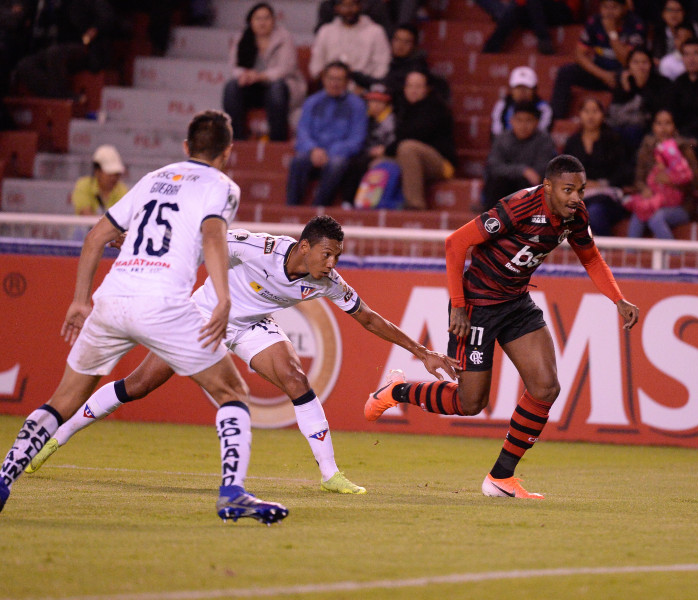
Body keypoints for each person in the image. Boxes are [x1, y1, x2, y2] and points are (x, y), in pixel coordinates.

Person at [24, 217, 460, 494]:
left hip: (252, 326)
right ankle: (55, 438)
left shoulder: (326, 281)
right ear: (305, 247)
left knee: (296, 380)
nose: (332, 264)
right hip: (204, 314)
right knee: (138, 385)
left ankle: (331, 475)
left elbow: (368, 318)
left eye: (337, 256)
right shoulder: (256, 247)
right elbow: (201, 239)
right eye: (327, 254)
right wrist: (136, 243)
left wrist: (422, 352)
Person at [0, 110, 290, 524]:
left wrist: (80, 300)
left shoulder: (154, 177)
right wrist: (223, 297)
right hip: (164, 302)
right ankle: (232, 493)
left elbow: (97, 235)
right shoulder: (222, 185)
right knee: (231, 392)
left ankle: (4, 478)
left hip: (112, 298)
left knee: (62, 400)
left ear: (187, 147)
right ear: (228, 152)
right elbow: (212, 235)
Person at [363, 154, 640, 499]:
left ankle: (500, 477)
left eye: (581, 190)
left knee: (545, 387)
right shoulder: (520, 206)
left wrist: (618, 299)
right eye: (569, 190)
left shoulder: (575, 216)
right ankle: (395, 391)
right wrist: (460, 307)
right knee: (470, 403)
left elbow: (591, 257)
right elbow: (456, 243)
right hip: (477, 305)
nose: (576, 198)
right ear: (549, 186)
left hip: (516, 303)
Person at [286, 61, 367, 207]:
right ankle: (292, 208)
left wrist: (329, 152)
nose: (334, 83)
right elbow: (303, 131)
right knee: (298, 161)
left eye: (339, 79)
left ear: (347, 82)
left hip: (339, 153)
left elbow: (357, 139)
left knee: (337, 163)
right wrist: (313, 149)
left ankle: (319, 209)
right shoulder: (312, 102)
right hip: (313, 151)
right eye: (331, 78)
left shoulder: (357, 105)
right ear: (323, 79)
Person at [222, 2, 306, 142]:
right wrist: (244, 75)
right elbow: (235, 66)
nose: (262, 22)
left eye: (266, 18)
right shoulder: (242, 38)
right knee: (231, 87)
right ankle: (236, 139)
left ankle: (277, 141)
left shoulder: (284, 37)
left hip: (282, 87)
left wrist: (261, 76)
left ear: (273, 20)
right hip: (253, 87)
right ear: (250, 21)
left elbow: (286, 67)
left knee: (276, 89)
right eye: (258, 18)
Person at [550, 0, 647, 119]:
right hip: (600, 72)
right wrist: (603, 75)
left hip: (623, 74)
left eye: (614, 7)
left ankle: (614, 120)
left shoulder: (636, 24)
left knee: (628, 78)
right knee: (565, 72)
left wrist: (612, 32)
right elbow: (579, 54)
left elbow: (626, 60)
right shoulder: (594, 21)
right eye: (605, 7)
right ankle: (555, 119)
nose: (609, 12)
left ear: (625, 8)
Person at [562, 97, 633, 236]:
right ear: (580, 115)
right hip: (579, 195)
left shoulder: (613, 139)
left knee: (594, 212)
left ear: (602, 114)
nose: (590, 116)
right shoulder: (572, 142)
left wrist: (601, 184)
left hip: (606, 196)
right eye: (586, 111)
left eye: (595, 111)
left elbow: (623, 171)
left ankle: (605, 253)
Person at [624, 109, 698, 239]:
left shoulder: (684, 149)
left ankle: (675, 257)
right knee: (638, 214)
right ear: (653, 127)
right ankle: (630, 256)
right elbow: (639, 180)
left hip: (680, 206)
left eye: (667, 123)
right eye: (659, 123)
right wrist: (645, 189)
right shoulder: (646, 149)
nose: (663, 128)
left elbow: (695, 182)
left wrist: (672, 181)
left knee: (656, 218)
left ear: (674, 126)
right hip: (652, 200)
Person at [387, 70, 456, 210]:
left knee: (407, 147)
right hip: (413, 160)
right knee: (379, 162)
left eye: (418, 86)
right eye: (410, 86)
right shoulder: (404, 107)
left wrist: (386, 149)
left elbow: (414, 134)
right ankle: (379, 204)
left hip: (441, 163)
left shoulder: (436, 107)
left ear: (427, 89)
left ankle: (415, 204)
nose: (413, 90)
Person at [482, 101, 557, 208]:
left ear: (536, 122)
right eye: (519, 120)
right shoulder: (502, 139)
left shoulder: (545, 141)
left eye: (528, 121)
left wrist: (524, 174)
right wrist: (523, 170)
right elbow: (494, 166)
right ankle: (493, 221)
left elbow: (541, 170)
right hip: (505, 186)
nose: (523, 125)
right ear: (511, 121)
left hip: (529, 189)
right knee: (497, 181)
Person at [308, 0, 391, 89]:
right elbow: (316, 66)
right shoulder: (325, 31)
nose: (348, 10)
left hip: (365, 89)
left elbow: (382, 66)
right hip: (331, 89)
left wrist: (366, 86)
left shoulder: (376, 32)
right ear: (337, 8)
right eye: (344, 6)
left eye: (352, 5)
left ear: (360, 6)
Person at [338, 83, 397, 206]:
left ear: (386, 103)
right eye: (371, 101)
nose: (374, 105)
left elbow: (394, 142)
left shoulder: (391, 120)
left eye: (379, 101)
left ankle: (354, 202)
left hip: (385, 156)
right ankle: (347, 201)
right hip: (365, 152)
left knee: (360, 164)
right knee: (348, 161)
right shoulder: (365, 117)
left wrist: (384, 152)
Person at [608, 47, 672, 151]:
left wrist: (642, 86)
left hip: (650, 126)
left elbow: (659, 110)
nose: (640, 66)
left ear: (651, 64)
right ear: (629, 65)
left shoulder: (663, 83)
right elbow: (615, 111)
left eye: (644, 62)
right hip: (623, 124)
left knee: (632, 131)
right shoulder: (624, 82)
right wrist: (626, 88)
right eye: (636, 62)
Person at [481, 0, 575, 55]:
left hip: (564, 10)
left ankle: (544, 40)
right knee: (517, 11)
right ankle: (490, 48)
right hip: (539, 11)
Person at [490, 66, 554, 138]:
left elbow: (542, 134)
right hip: (506, 146)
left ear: (534, 90)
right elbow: (496, 133)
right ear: (511, 89)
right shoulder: (502, 105)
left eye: (526, 88)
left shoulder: (544, 108)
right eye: (518, 88)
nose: (522, 92)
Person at [72, 145, 129, 216]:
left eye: (116, 174)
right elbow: (86, 215)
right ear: (97, 171)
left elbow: (123, 218)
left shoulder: (122, 190)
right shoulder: (83, 185)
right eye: (110, 174)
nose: (113, 178)